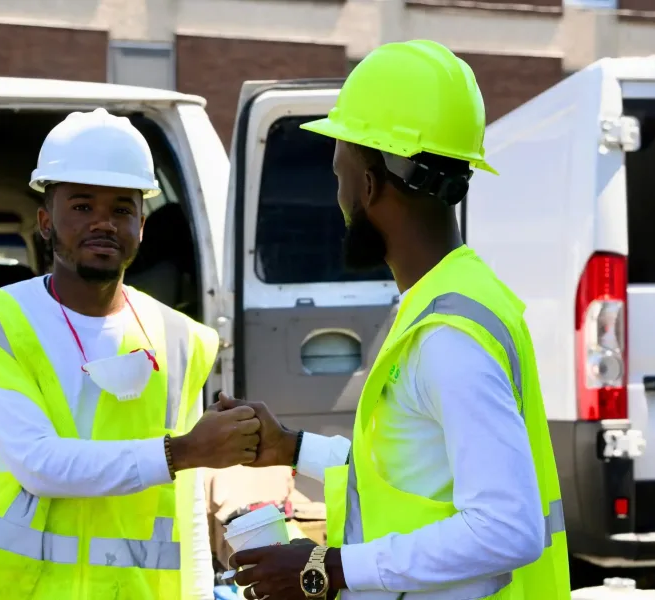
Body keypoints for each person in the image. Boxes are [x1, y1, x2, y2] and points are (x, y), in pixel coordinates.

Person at [220, 40, 572, 599]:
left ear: (368, 182)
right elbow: (410, 476)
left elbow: (509, 528)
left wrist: (324, 569)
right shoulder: (452, 300)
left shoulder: (447, 337)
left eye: (340, 173)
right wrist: (289, 447)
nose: (338, 196)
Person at [0, 108, 262, 600]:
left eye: (121, 208)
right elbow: (39, 465)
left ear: (142, 221)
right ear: (46, 221)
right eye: (81, 206)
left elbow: (184, 508)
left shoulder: (181, 338)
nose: (103, 223)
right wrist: (181, 451)